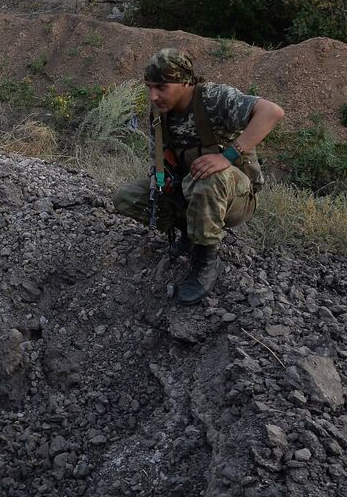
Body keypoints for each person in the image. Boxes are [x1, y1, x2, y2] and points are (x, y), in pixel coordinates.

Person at [112, 48, 285, 305]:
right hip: (190, 188)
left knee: (208, 179)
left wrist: (226, 156)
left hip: (235, 198)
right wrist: (163, 180)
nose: (153, 95)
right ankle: (189, 234)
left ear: (184, 81)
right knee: (126, 197)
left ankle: (205, 260)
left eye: (161, 86)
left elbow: (272, 112)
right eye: (149, 87)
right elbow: (158, 160)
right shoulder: (160, 114)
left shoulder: (214, 98)